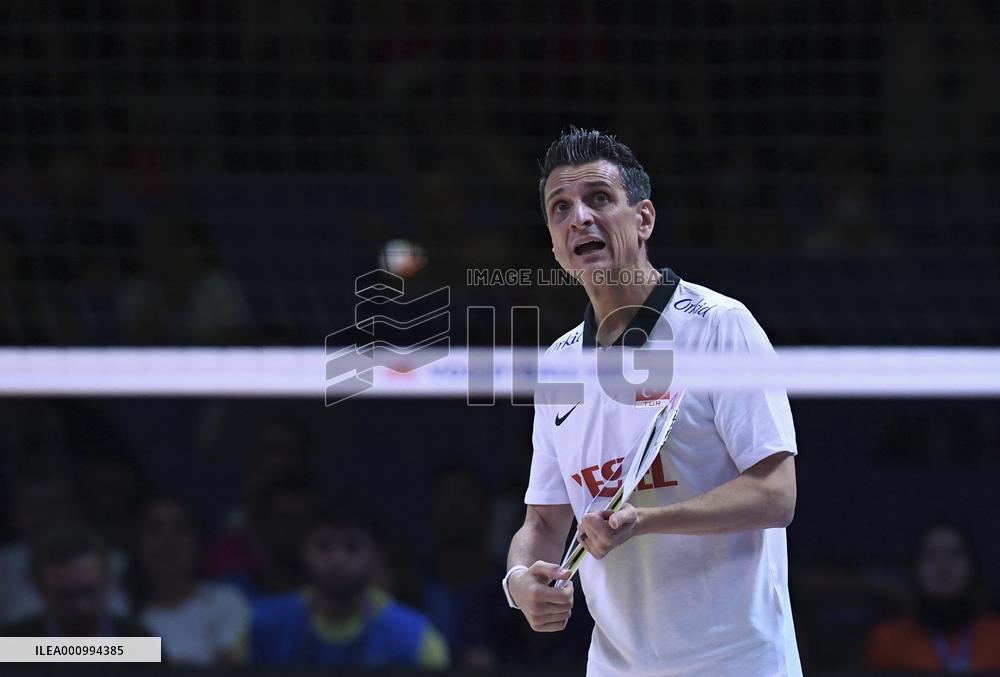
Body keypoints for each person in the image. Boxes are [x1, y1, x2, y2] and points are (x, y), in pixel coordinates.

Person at [502, 128, 800, 676]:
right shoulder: (559, 365)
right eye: (560, 208)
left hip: (738, 661)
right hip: (618, 665)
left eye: (599, 199)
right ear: (553, 242)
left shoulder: (719, 326)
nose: (580, 219)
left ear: (643, 220)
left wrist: (645, 520)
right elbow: (543, 520)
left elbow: (776, 494)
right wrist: (519, 580)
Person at [243, 498, 449, 668]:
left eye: (352, 547)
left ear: (377, 554)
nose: (337, 558)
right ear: (304, 551)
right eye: (325, 546)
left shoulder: (415, 638)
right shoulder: (261, 625)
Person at [860, 523, 1000, 671]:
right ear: (914, 569)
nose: (943, 565)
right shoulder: (887, 639)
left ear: (973, 567)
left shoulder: (997, 635)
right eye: (930, 554)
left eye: (955, 553)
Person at [133, 496, 249, 666]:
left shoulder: (226, 602)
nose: (167, 541)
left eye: (180, 528)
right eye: (154, 528)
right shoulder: (117, 605)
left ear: (199, 541)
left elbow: (229, 669)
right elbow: (83, 652)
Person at [2, 525, 149, 637]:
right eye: (65, 595)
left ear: (107, 582)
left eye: (88, 592)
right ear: (40, 589)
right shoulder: (12, 648)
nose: (80, 606)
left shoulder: (139, 645)